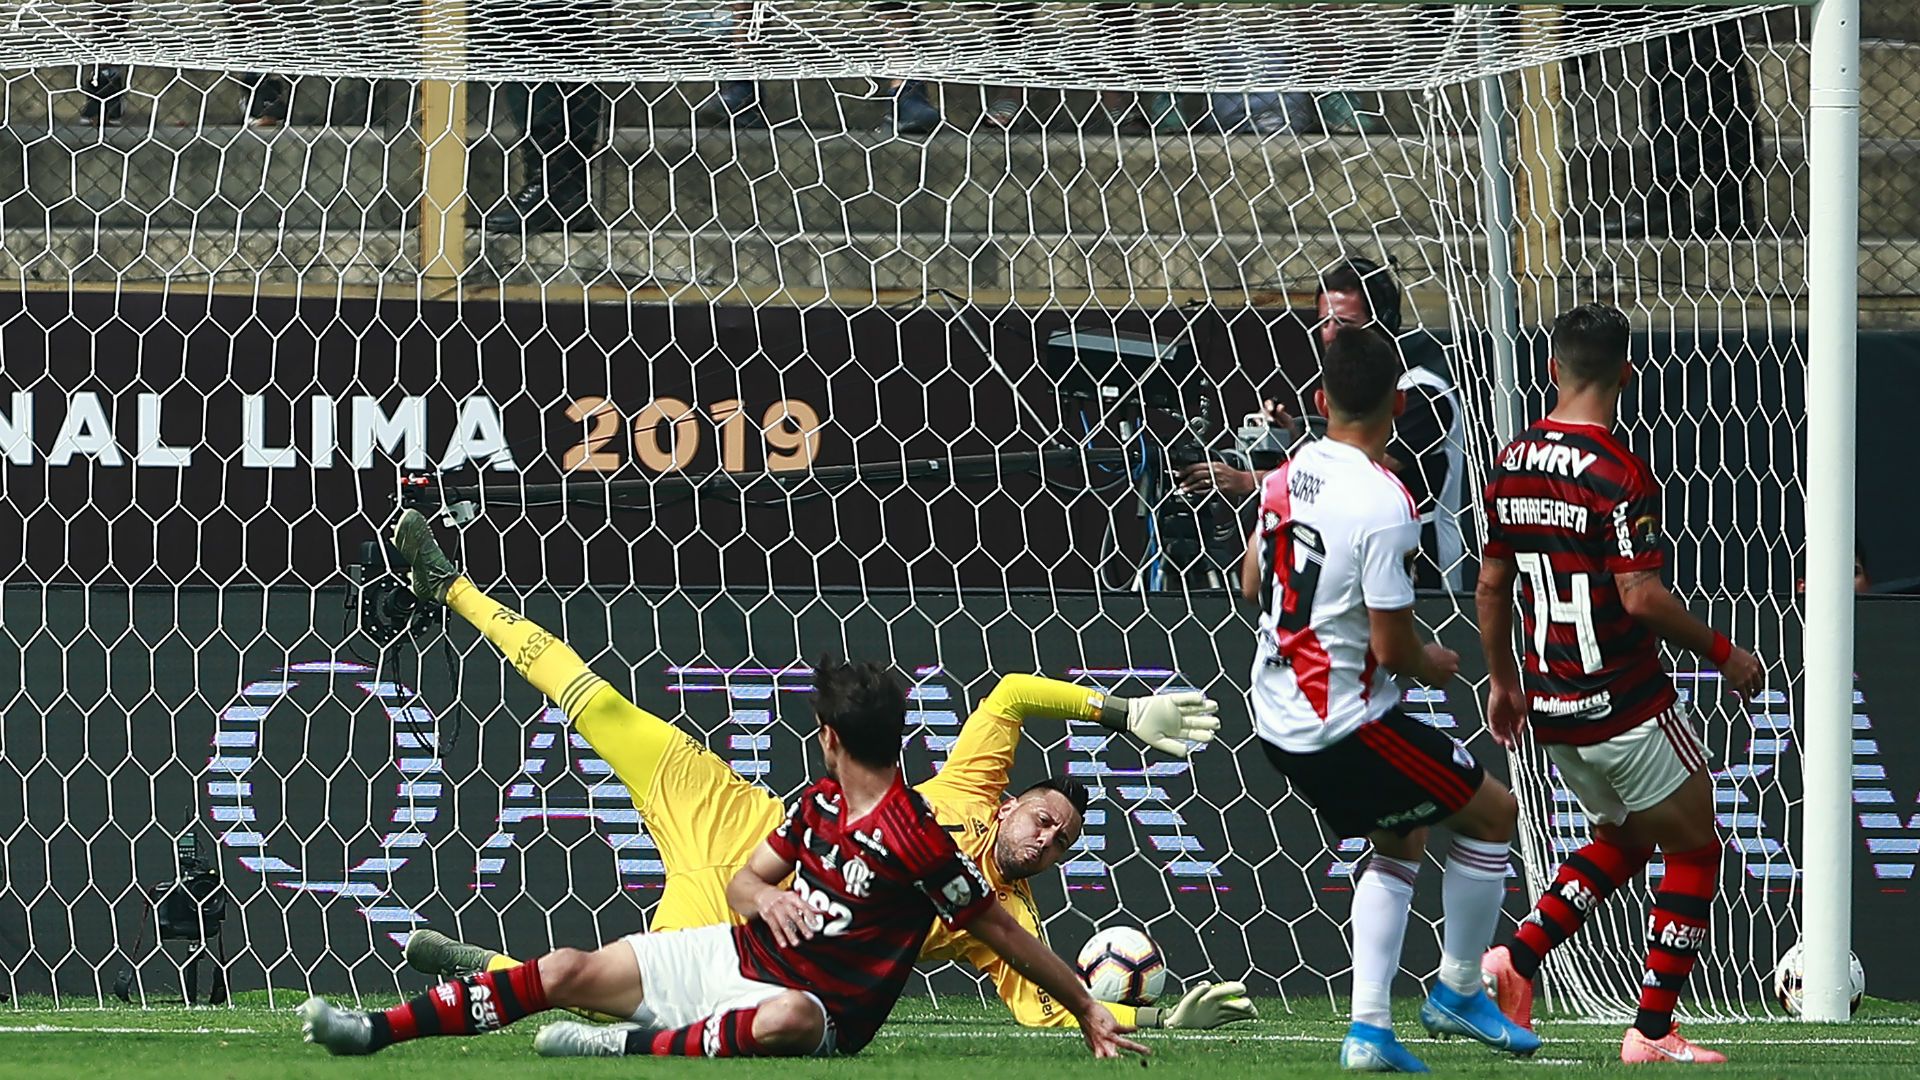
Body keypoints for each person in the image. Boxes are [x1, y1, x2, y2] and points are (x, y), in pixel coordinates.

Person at [298, 512, 1149, 1060]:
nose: (1047, 838)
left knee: (625, 1004)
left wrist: (1140, 1015)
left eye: (1062, 841)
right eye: (1044, 818)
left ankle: (494, 972)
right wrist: (1116, 710)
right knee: (595, 702)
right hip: (735, 822)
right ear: (1010, 803)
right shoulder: (968, 783)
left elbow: (1037, 995)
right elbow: (1008, 695)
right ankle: (450, 584)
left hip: (745, 934)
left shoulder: (986, 908)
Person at [1241, 326, 1539, 1071]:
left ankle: (1370, 1032)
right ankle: (1458, 991)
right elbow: (1392, 648)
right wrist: (1435, 662)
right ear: (1400, 404)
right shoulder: (1387, 501)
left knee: (1402, 835)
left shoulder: (1290, 468)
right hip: (1343, 723)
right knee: (1494, 814)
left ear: (1319, 400)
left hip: (1275, 712)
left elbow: (1251, 582)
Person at [1476, 303, 1766, 1065]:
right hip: (1623, 700)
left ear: (1551, 370)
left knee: (1630, 838)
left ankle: (1520, 957)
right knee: (1697, 850)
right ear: (1628, 375)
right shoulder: (1617, 471)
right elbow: (1640, 596)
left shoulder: (1510, 463)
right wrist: (1726, 653)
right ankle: (1651, 1030)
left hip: (1550, 705)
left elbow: (1491, 586)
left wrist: (1503, 683)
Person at [1181, 258, 1468, 591]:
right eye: (1324, 322)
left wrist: (1251, 481)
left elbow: (1358, 472)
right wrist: (1293, 440)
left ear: (1383, 325)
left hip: (1424, 577)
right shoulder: (1352, 390)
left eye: (1344, 323)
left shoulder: (1423, 393)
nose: (1330, 335)